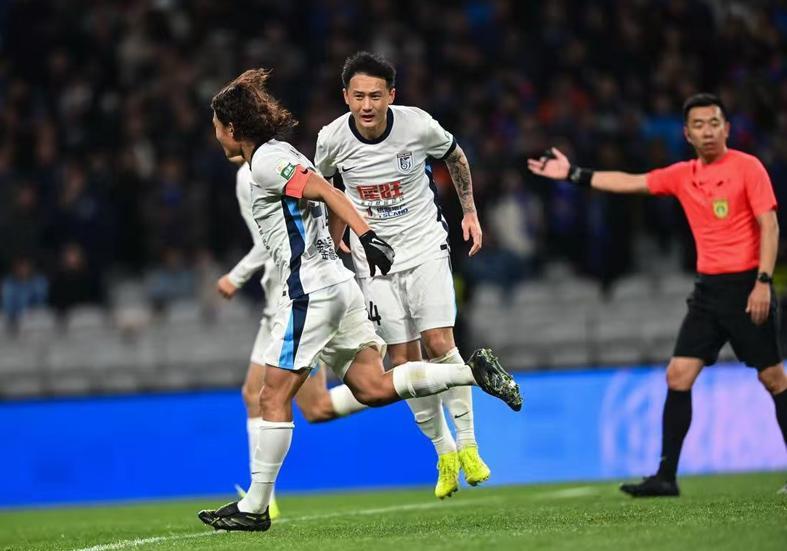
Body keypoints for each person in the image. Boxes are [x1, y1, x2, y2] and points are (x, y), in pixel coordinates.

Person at [198, 68, 522, 532]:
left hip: (310, 291)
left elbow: (326, 190)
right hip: (340, 287)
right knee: (371, 387)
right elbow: (320, 187)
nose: (215, 135)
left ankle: (255, 507)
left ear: (232, 128)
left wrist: (367, 235)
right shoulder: (278, 153)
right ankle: (472, 372)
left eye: (217, 126)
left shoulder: (267, 162)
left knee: (271, 395)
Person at [528, 93, 787, 497]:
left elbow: (769, 226)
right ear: (687, 134)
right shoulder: (683, 175)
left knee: (773, 378)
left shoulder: (748, 167)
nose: (707, 131)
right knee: (678, 375)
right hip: (708, 292)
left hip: (747, 286)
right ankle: (666, 477)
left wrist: (763, 282)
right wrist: (573, 174)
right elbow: (630, 182)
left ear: (726, 128)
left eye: (714, 123)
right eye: (699, 125)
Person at [315, 51, 489, 499]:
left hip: (425, 245)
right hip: (373, 259)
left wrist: (469, 212)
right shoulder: (331, 139)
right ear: (346, 97)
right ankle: (444, 453)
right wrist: (337, 232)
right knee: (403, 361)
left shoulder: (418, 125)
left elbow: (455, 156)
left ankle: (469, 446)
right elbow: (327, 188)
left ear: (391, 95)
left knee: (440, 343)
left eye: (376, 95)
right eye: (358, 96)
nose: (367, 105)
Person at [218, 161, 374, 519]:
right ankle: (263, 498)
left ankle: (401, 383)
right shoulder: (293, 160)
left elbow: (267, 241)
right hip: (290, 291)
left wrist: (236, 277)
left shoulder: (252, 174)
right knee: (256, 395)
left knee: (314, 407)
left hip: (295, 296)